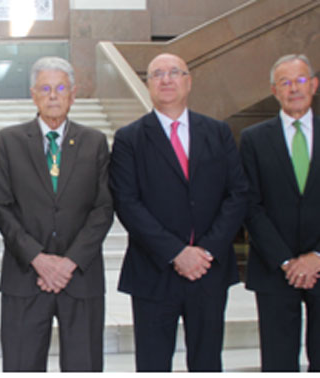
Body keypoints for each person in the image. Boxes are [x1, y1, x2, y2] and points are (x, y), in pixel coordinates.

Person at [109, 53, 248, 371]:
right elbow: (127, 202)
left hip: (209, 270)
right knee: (153, 363)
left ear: (188, 81)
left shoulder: (218, 132)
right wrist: (176, 252)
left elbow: (238, 193)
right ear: (148, 85)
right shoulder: (129, 139)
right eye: (157, 74)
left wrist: (206, 251)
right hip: (154, 271)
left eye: (174, 72)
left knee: (207, 361)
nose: (166, 79)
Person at [0, 56, 113, 372]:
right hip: (25, 277)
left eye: (61, 88)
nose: (53, 95)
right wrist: (39, 259)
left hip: (81, 278)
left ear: (73, 95)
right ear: (33, 94)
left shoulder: (95, 142)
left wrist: (69, 262)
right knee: (21, 366)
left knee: (84, 366)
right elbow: (1, 206)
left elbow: (103, 208)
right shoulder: (9, 140)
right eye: (45, 88)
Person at [240, 54, 320, 371]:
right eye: (285, 82)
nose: (294, 89)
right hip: (274, 269)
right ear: (274, 91)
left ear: (314, 84)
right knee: (277, 363)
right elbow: (250, 204)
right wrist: (287, 261)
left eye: (300, 80)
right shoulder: (253, 139)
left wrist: (316, 256)